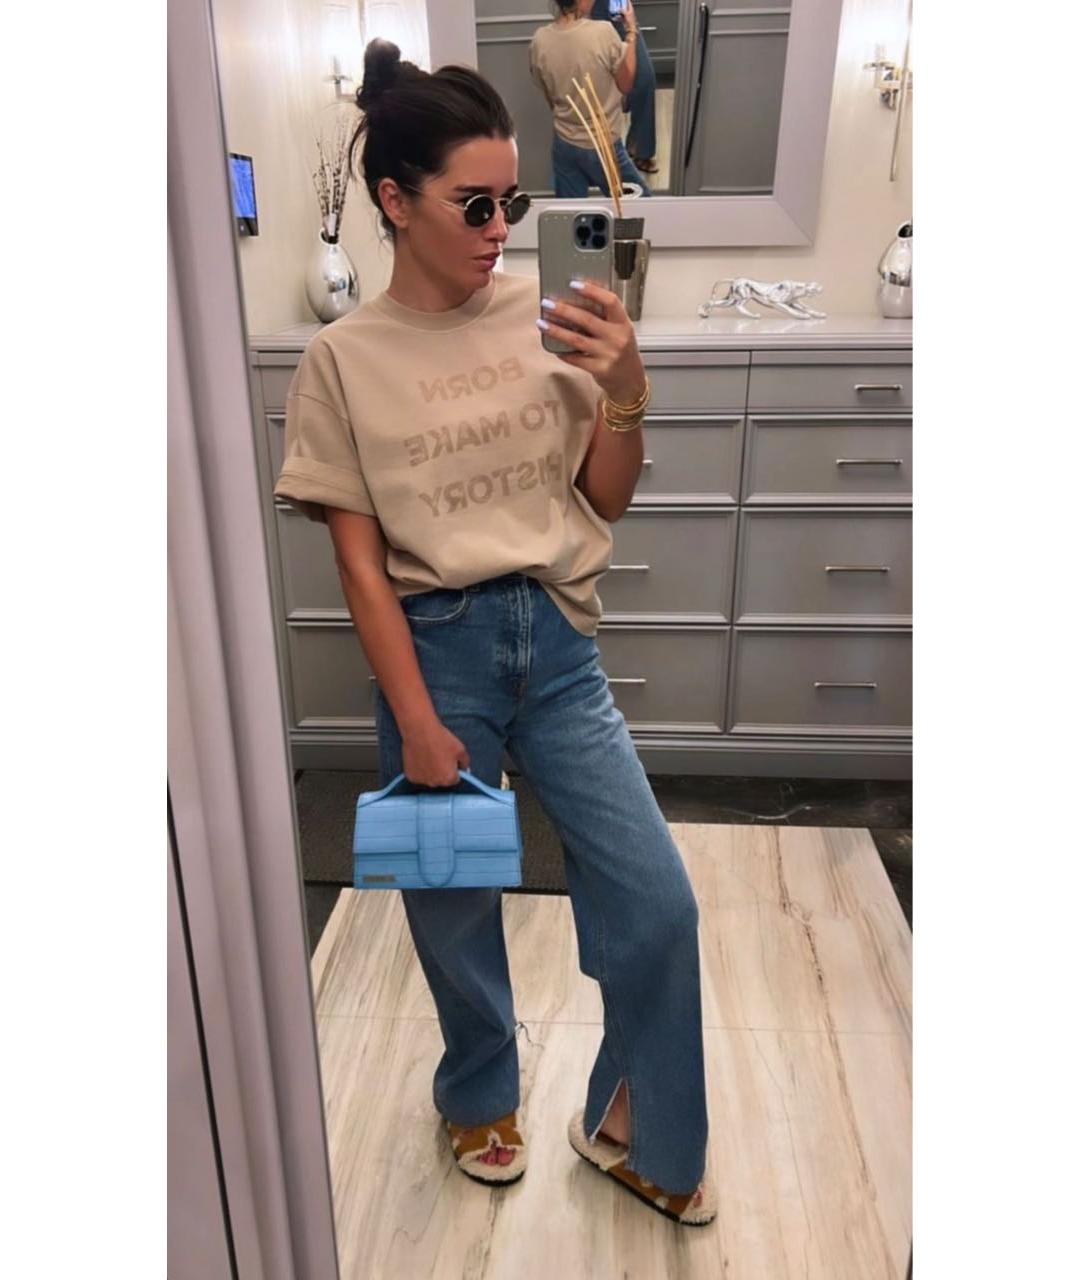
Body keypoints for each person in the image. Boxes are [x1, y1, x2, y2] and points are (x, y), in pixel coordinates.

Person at [273, 37, 714, 1226]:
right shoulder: (341, 361)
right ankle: (477, 1092)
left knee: (656, 898)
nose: (499, 229)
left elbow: (605, 496)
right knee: (452, 900)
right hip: (436, 649)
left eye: (512, 203)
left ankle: (634, 1120)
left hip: (557, 647)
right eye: (474, 204)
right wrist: (416, 719)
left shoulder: (549, 312)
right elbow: (359, 566)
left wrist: (625, 384)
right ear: (394, 200)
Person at [529, 0, 653, 198]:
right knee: (643, 208)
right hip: (603, 146)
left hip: (564, 144)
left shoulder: (539, 39)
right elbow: (626, 84)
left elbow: (549, 96)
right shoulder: (603, 32)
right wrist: (631, 31)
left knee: (571, 214)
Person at [590, 0, 658, 174]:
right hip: (589, 17)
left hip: (620, 13)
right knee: (595, 87)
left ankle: (640, 148)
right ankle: (599, 155)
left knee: (645, 79)